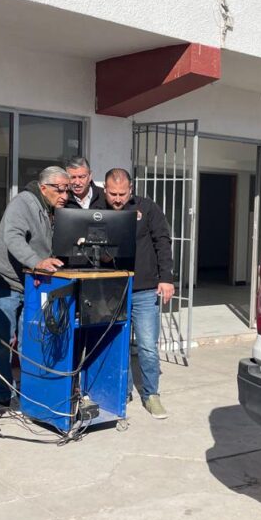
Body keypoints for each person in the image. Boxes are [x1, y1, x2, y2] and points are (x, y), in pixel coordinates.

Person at [0, 166, 71, 406]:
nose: (65, 195)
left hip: (33, 282)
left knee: (32, 339)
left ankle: (31, 391)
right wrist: (36, 262)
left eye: (67, 190)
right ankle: (3, 391)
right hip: (6, 280)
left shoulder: (54, 208)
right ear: (43, 188)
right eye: (60, 189)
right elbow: (13, 237)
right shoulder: (23, 202)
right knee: (4, 340)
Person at [99, 168, 174, 420]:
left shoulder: (147, 208)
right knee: (117, 344)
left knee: (147, 347)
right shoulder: (98, 210)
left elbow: (162, 241)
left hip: (145, 289)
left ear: (130, 190)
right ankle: (123, 391)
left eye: (122, 194)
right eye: (113, 194)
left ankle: (151, 395)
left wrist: (166, 278)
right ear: (105, 190)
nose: (117, 199)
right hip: (112, 289)